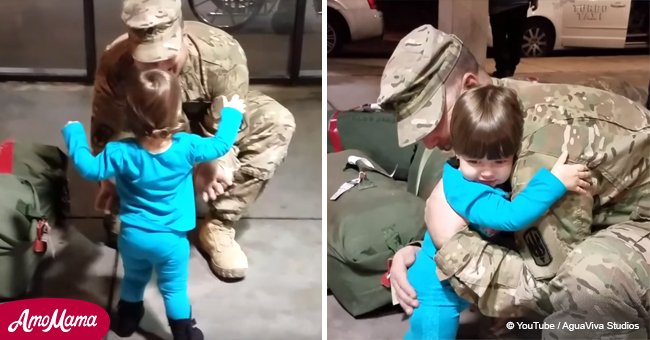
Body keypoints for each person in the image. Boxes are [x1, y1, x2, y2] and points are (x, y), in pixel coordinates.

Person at [379, 25, 650, 339]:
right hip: (602, 210)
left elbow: (544, 285)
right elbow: (479, 204)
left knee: (587, 289)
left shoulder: (543, 146)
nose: (427, 142)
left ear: (470, 87)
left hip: (641, 221)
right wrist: (422, 250)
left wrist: (452, 249)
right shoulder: (490, 121)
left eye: (430, 122)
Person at [92, 0, 295, 280]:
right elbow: (106, 133)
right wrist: (111, 180)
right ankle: (148, 203)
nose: (161, 66)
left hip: (204, 127)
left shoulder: (221, 53)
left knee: (276, 121)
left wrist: (213, 162)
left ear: (181, 34)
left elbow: (227, 120)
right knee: (119, 231)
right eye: (148, 59)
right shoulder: (115, 64)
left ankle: (219, 224)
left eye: (167, 54)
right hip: (149, 138)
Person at [63, 69, 244, 339]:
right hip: (171, 240)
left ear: (129, 113)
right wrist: (232, 113)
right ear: (175, 113)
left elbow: (89, 168)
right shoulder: (188, 146)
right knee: (173, 289)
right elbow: (220, 145)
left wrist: (74, 134)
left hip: (133, 236)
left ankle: (126, 321)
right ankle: (183, 332)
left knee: (134, 279)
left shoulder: (120, 152)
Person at [405, 85, 591, 340]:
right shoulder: (464, 189)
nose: (487, 173)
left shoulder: (481, 177)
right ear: (456, 153)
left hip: (461, 277)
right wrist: (555, 182)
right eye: (474, 161)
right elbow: (511, 216)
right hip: (437, 285)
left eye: (499, 161)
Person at [489, 0, 537, 78]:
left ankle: (502, 69)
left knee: (499, 40)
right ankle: (510, 68)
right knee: (515, 39)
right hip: (519, 5)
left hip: (498, 7)